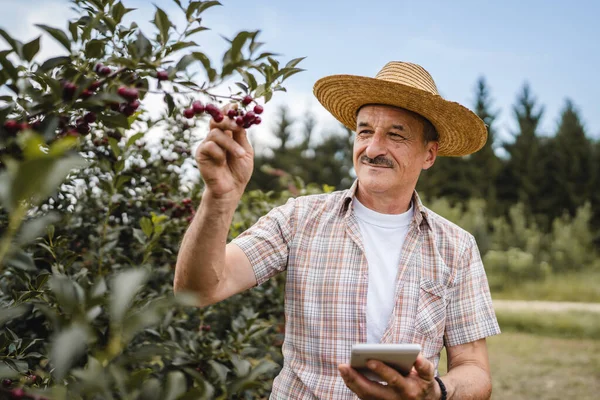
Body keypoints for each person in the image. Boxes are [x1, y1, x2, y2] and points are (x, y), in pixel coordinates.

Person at [174, 61, 501, 400]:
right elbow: (198, 289)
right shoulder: (299, 218)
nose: (373, 149)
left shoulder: (457, 246)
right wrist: (219, 198)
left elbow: (475, 370)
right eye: (364, 131)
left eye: (396, 135)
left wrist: (436, 392)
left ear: (429, 154)